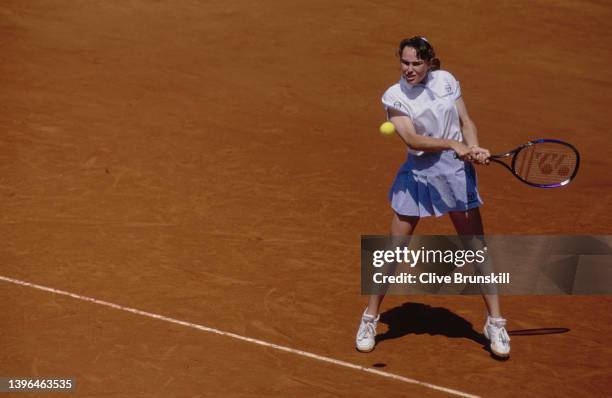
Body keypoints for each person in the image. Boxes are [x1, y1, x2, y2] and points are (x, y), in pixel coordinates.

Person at [355, 36, 511, 358]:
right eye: (405, 63)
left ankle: (495, 322)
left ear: (429, 63)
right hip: (417, 175)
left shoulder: (447, 80)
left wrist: (474, 146)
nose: (409, 69)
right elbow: (412, 138)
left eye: (416, 64)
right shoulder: (394, 96)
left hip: (455, 175)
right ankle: (370, 318)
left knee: (476, 250)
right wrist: (455, 146)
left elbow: (466, 122)